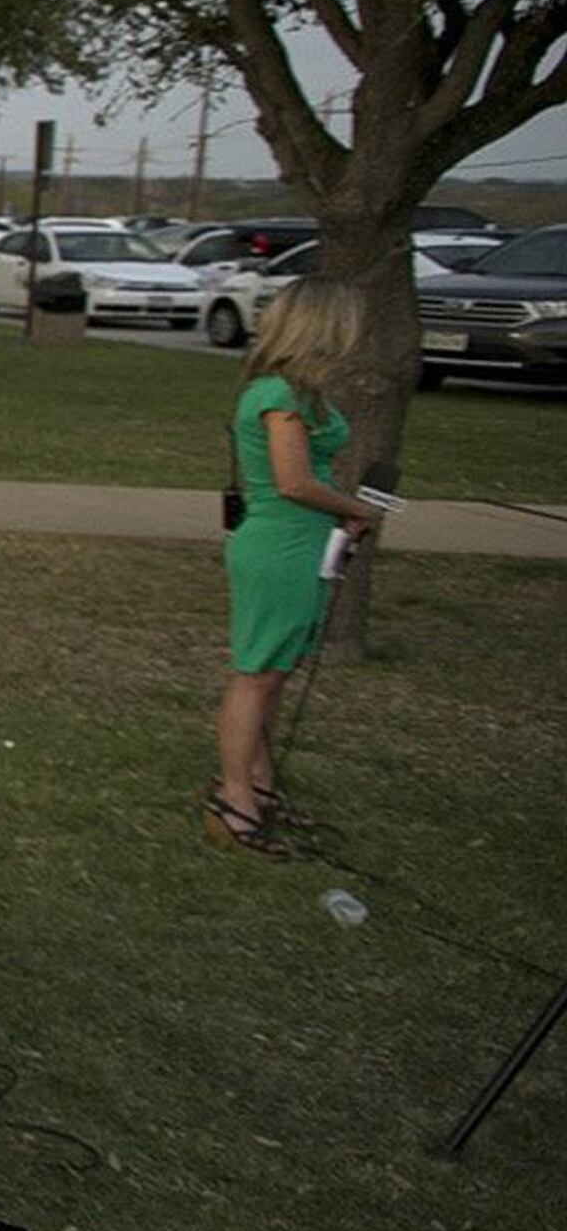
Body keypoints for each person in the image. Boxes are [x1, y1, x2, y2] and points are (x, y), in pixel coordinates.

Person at [209, 277, 376, 853]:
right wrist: (356, 508)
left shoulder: (303, 395)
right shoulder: (278, 396)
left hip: (303, 544)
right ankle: (232, 799)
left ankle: (258, 784)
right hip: (278, 544)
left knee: (274, 671)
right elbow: (293, 481)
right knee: (255, 672)